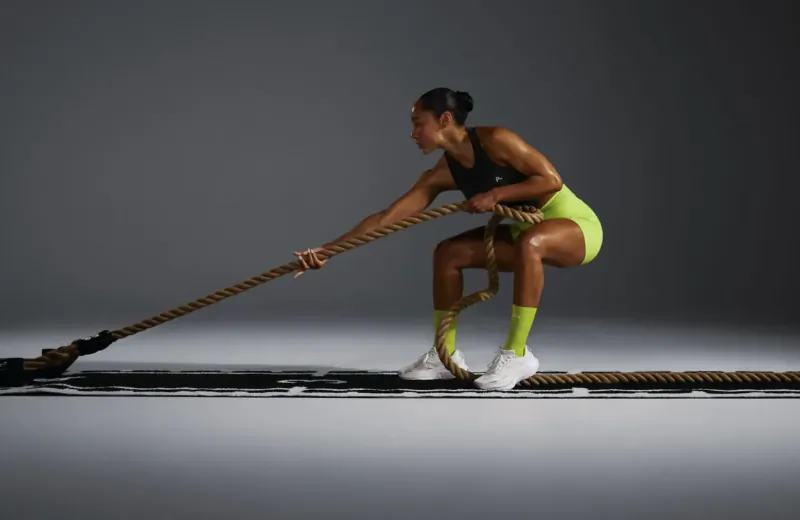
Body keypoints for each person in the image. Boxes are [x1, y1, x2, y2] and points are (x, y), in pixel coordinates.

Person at [293, 87, 603, 391]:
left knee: (531, 242)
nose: (413, 133)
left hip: (577, 228)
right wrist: (328, 250)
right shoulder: (443, 173)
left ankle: (517, 353)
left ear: (444, 120)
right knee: (448, 253)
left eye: (418, 124)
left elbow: (551, 180)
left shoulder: (497, 140)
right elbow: (387, 218)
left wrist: (496, 194)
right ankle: (445, 355)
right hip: (526, 234)